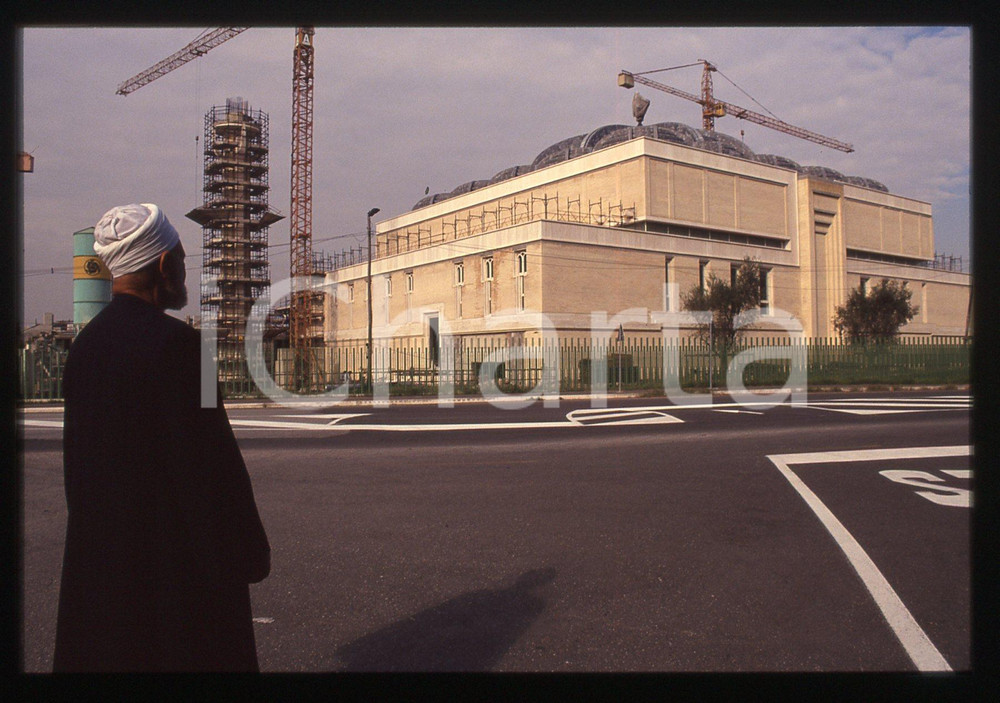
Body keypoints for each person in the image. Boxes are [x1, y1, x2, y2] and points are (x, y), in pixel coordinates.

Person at [53, 203, 271, 672]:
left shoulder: (84, 350)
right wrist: (246, 554)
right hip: (175, 581)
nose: (186, 276)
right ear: (162, 265)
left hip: (101, 576)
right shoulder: (184, 348)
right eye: (182, 262)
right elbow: (215, 473)